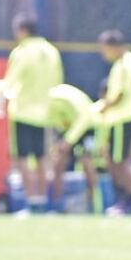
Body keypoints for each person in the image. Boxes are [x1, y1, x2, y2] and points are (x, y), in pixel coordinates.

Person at [0, 13, 64, 214]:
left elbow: (10, 82)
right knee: (41, 158)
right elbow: (58, 82)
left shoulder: (21, 52)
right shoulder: (51, 52)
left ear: (22, 30)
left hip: (23, 112)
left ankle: (31, 203)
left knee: (23, 158)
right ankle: (42, 203)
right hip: (46, 113)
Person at [97, 29, 131, 216]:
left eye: (105, 49)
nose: (103, 53)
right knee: (113, 161)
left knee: (120, 162)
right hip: (120, 119)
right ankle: (125, 199)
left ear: (113, 47)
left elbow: (119, 94)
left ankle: (129, 200)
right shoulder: (125, 62)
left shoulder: (125, 63)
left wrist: (105, 105)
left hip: (122, 118)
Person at [46, 83, 102, 211]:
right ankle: (57, 207)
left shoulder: (58, 97)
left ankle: (94, 206)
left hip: (88, 127)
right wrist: (59, 145)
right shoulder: (46, 105)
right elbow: (57, 123)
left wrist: (69, 140)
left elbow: (85, 118)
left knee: (87, 164)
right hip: (71, 128)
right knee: (58, 164)